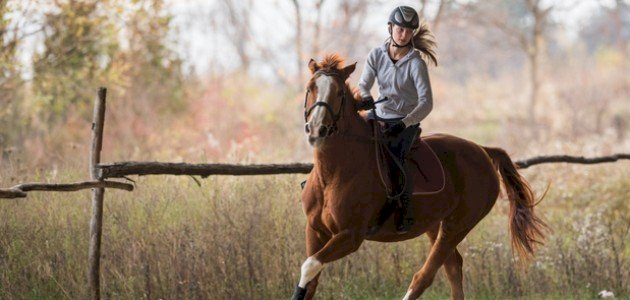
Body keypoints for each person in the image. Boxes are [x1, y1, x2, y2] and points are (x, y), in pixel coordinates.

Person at [357, 5, 437, 234]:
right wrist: (365, 97)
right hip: (378, 114)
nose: (403, 34)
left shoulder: (416, 64)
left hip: (404, 122)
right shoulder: (376, 55)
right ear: (390, 28)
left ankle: (404, 209)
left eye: (409, 31)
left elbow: (426, 103)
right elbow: (363, 84)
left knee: (396, 160)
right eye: (400, 29)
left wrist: (405, 123)